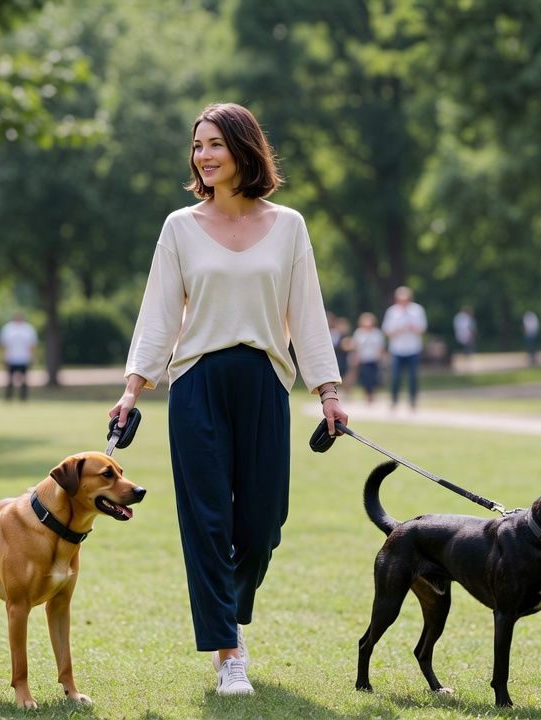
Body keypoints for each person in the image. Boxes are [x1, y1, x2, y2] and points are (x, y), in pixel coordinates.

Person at [109, 102, 347, 697]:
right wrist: (134, 388)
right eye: (198, 146)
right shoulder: (179, 227)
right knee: (208, 522)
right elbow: (159, 313)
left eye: (215, 143)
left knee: (263, 524)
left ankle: (227, 613)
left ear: (244, 149)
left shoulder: (289, 226)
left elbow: (307, 313)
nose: (204, 156)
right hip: (198, 385)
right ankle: (227, 652)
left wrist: (328, 390)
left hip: (265, 381)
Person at [382, 286, 427, 410]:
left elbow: (422, 329)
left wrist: (411, 327)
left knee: (413, 377)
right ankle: (394, 400)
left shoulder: (417, 310)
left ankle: (413, 400)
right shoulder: (392, 312)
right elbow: (386, 330)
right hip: (397, 349)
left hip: (413, 348)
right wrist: (398, 330)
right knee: (395, 377)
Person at [0, 312, 38, 401]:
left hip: (24, 358)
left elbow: (32, 345)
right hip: (11, 358)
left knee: (24, 380)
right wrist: (3, 356)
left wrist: (32, 356)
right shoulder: (8, 328)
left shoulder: (28, 329)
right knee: (9, 380)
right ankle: (8, 398)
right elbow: (3, 345)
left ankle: (23, 398)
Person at [351, 311, 386, 403]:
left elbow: (380, 346)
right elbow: (356, 346)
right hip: (363, 359)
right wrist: (356, 357)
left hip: (374, 358)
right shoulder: (359, 333)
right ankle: (366, 394)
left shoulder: (377, 333)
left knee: (373, 377)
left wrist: (381, 358)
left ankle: (373, 394)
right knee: (365, 377)